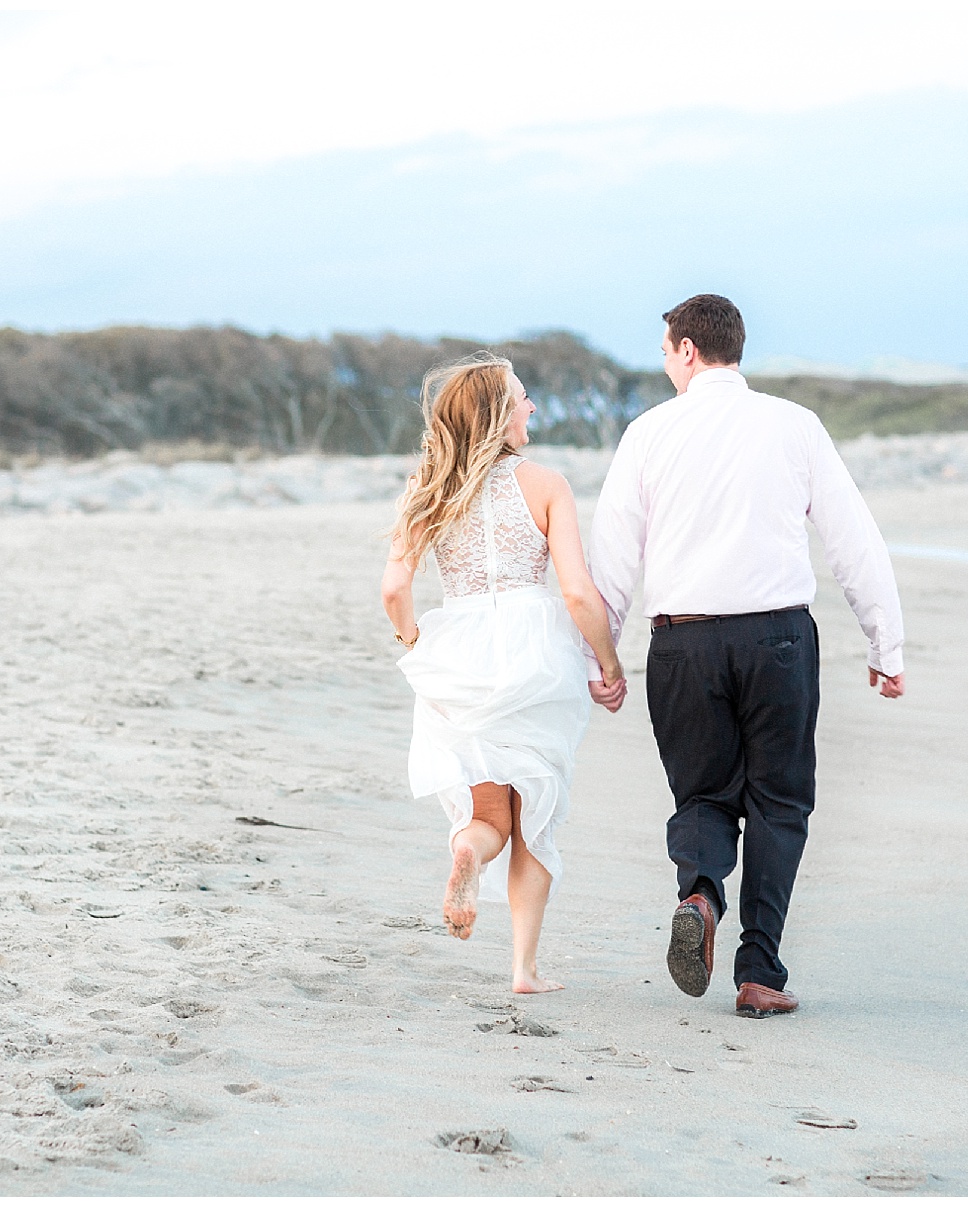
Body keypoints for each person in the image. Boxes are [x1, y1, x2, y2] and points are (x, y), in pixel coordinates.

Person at [585, 294, 906, 1019]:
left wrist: (600, 658)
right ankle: (758, 971)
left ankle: (699, 891)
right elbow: (853, 537)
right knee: (779, 801)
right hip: (778, 639)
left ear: (689, 350)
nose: (667, 363)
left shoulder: (647, 433)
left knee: (702, 794)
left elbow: (612, 560)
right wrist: (885, 643)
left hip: (684, 638)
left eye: (667, 350)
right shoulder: (795, 425)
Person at [381, 353, 627, 994]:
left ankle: (468, 851)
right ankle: (524, 969)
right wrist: (608, 662)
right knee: (537, 815)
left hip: (458, 653)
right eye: (522, 397)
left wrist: (415, 646)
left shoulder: (429, 486)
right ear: (497, 414)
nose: (532, 407)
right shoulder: (547, 483)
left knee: (488, 810)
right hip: (535, 653)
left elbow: (393, 589)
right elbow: (576, 592)